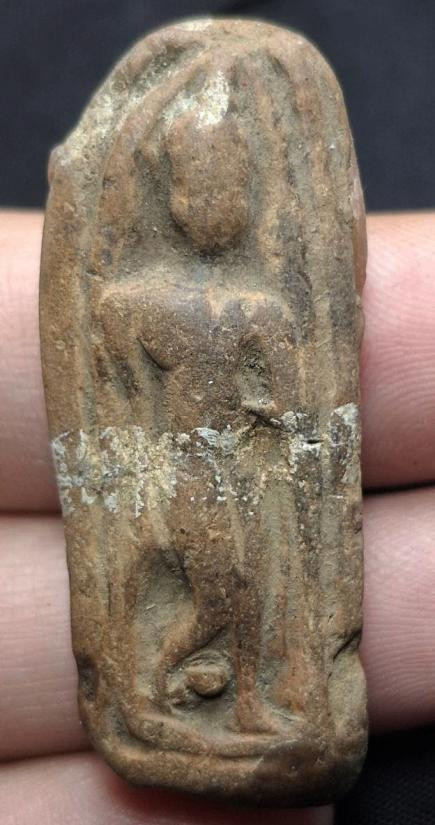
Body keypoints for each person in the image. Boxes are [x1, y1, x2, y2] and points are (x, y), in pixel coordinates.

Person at [0, 209, 434, 823]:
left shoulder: (255, 310)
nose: (215, 205)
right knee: (219, 597)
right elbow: (112, 350)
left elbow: (276, 394)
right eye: (200, 191)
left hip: (242, 470)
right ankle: (154, 684)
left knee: (247, 591)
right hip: (189, 473)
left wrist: (267, 407)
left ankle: (243, 699)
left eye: (227, 191)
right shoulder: (146, 305)